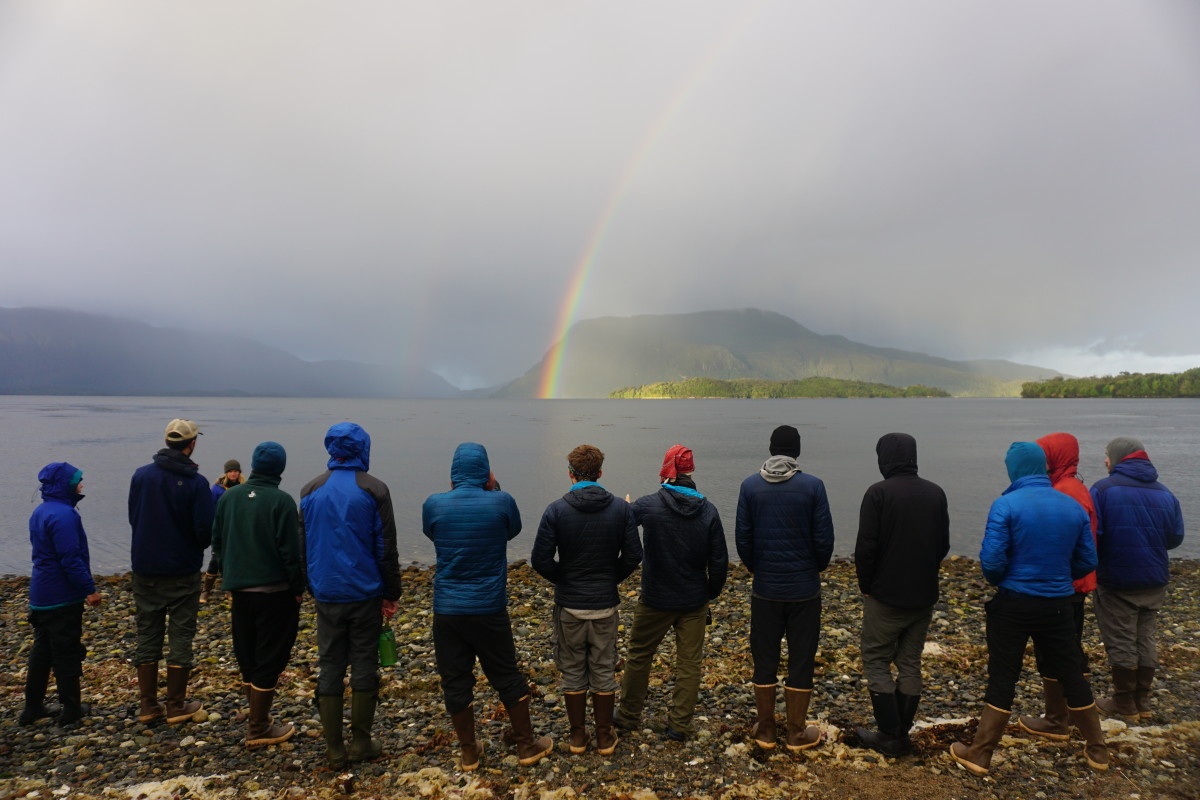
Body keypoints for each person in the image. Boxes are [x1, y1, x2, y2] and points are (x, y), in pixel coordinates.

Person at [950, 442, 1107, 776]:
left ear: (1014, 470)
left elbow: (991, 563)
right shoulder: (1071, 506)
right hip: (1060, 605)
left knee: (1003, 676)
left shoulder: (1006, 504)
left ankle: (981, 752)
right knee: (1071, 672)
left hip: (1015, 604)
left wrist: (1012, 578)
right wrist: (1057, 577)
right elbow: (1088, 561)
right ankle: (1097, 749)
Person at [423, 442, 553, 769]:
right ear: (486, 472)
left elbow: (432, 533)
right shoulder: (502, 502)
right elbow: (513, 530)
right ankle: (526, 745)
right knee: (506, 674)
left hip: (448, 610)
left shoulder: (433, 505)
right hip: (488, 607)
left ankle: (469, 752)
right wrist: (494, 489)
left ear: (454, 472)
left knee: (455, 678)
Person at [300, 422, 403, 767]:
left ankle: (334, 748)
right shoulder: (374, 490)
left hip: (327, 593)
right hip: (364, 593)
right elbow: (385, 548)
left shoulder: (310, 490)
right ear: (363, 448)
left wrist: (310, 585)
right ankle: (360, 741)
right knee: (363, 663)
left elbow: (306, 546)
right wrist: (391, 592)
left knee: (329, 664)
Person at [531, 444, 642, 757]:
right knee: (603, 667)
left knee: (573, 670)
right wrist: (610, 579)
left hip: (570, 606)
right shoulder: (621, 509)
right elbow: (634, 555)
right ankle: (605, 737)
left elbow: (540, 559)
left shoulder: (556, 510)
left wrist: (565, 580)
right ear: (600, 473)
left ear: (570, 474)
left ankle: (578, 736)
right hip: (604, 604)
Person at [614, 444, 728, 742]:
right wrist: (710, 594)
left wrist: (626, 510)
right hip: (693, 599)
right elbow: (719, 561)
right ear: (690, 472)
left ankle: (627, 716)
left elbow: (622, 528)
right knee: (689, 662)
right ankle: (680, 724)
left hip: (655, 597)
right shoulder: (709, 511)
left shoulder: (649, 505)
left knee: (640, 654)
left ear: (667, 470)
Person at [735, 424, 833, 751]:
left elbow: (743, 539)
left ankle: (764, 730)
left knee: (764, 657)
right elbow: (824, 540)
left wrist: (755, 567)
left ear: (771, 449)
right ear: (797, 451)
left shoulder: (750, 487)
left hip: (765, 589)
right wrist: (813, 568)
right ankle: (795, 733)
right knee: (801, 659)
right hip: (804, 589)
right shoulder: (813, 487)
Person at [852, 433, 948, 756]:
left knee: (876, 658)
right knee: (909, 661)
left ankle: (890, 734)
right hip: (923, 596)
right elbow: (942, 545)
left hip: (886, 596)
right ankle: (901, 731)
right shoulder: (936, 494)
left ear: (886, 459)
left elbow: (866, 548)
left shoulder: (877, 493)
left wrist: (866, 584)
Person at [210, 441, 305, 748]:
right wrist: (298, 588)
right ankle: (259, 726)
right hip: (274, 592)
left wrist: (228, 575)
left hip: (239, 590)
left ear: (252, 466)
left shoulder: (230, 497)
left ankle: (256, 718)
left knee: (247, 653)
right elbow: (291, 551)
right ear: (280, 468)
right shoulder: (281, 501)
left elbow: (218, 541)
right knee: (271, 655)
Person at [1089, 437, 1185, 721]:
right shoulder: (1165, 493)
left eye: (1107, 455)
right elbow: (1175, 538)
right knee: (1145, 637)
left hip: (1118, 578)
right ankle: (1142, 701)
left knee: (1120, 638)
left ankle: (1124, 704)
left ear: (1118, 458)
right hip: (1154, 577)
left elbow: (1094, 534)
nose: (1105, 461)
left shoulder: (1103, 490)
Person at [127, 418, 214, 725]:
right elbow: (205, 532)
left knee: (148, 633)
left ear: (167, 442)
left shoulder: (141, 476)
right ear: (191, 444)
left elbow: (133, 517)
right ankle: (175, 704)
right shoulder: (197, 483)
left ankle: (148, 705)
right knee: (181, 635)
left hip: (146, 567)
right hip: (182, 569)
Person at [1018, 432, 1099, 741]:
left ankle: (1057, 719)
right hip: (1074, 584)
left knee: (1055, 652)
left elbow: (1065, 544)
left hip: (1066, 586)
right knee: (1070, 650)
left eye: (1045, 454)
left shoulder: (1066, 491)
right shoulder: (1072, 486)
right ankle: (1073, 716)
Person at [21, 463, 103, 727]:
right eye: (79, 480)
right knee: (66, 651)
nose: (82, 484)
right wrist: (89, 589)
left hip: (41, 594)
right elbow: (70, 559)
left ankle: (32, 708)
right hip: (61, 596)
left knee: (42, 650)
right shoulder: (66, 515)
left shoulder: (41, 511)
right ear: (66, 485)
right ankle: (70, 710)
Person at [201, 459, 244, 604]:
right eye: (231, 471)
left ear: (239, 473)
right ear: (226, 473)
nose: (233, 473)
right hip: (220, 529)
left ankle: (229, 589)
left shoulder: (244, 487)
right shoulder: (217, 489)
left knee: (233, 559)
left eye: (236, 471)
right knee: (215, 560)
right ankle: (206, 591)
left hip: (237, 530)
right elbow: (210, 509)